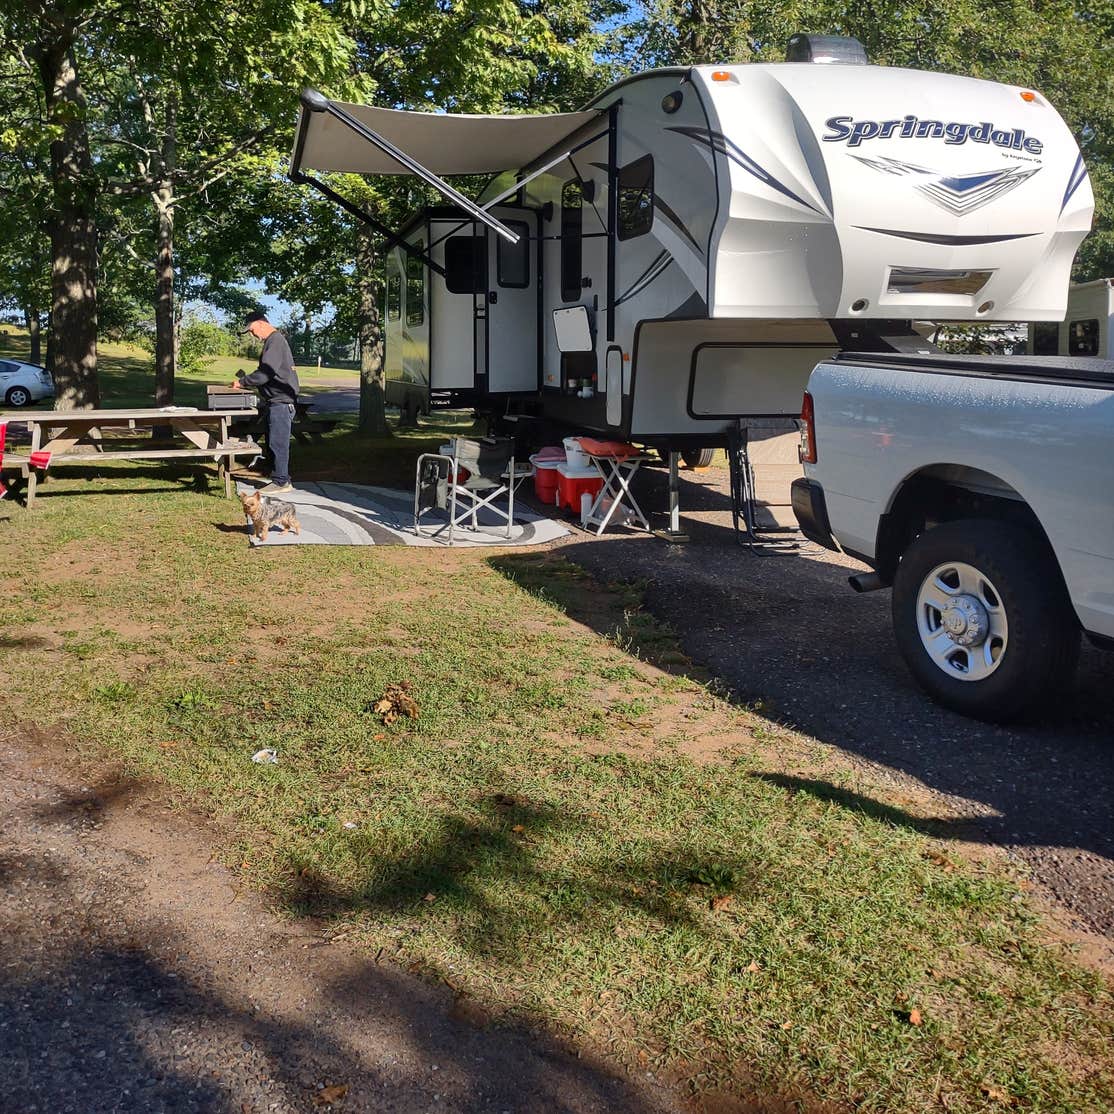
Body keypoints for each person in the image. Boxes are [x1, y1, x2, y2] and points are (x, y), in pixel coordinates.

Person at [232, 311, 300, 494]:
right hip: (276, 400)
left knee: (278, 443)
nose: (253, 335)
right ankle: (277, 477)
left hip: (282, 401)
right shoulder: (273, 342)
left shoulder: (275, 341)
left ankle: (281, 481)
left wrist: (242, 382)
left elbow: (265, 373)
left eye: (252, 330)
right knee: (273, 441)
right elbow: (266, 371)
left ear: (261, 323)